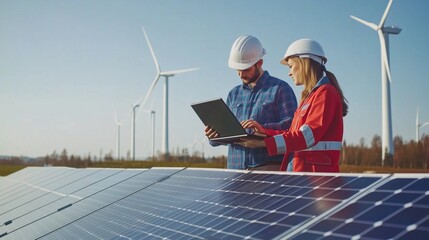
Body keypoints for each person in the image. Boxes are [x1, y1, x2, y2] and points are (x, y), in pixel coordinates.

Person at [240, 38, 348, 172]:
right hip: (303, 174)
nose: (289, 72)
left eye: (291, 66)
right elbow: (292, 134)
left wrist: (263, 143)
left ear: (304, 63)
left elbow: (307, 136)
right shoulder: (310, 98)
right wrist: (265, 132)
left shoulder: (326, 93)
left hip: (316, 178)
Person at [205, 35, 297, 170]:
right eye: (238, 69)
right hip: (235, 170)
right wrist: (214, 135)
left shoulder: (280, 89)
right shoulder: (233, 94)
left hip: (267, 170)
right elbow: (228, 135)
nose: (241, 74)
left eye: (246, 69)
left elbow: (291, 127)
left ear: (259, 63)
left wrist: (261, 129)